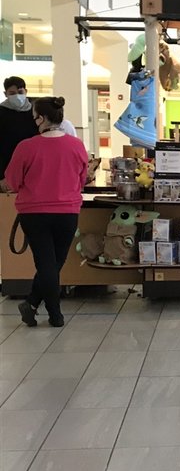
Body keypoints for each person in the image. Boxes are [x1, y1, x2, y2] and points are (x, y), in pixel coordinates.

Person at [0, 96, 88, 328]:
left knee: (46, 263)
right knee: (56, 262)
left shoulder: (26, 147)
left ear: (41, 118)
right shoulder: (76, 146)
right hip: (68, 212)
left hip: (34, 214)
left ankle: (40, 307)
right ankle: (48, 310)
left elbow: (12, 181)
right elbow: (82, 179)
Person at [0, 75, 37, 178]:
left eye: (20, 92)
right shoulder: (1, 112)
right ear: (5, 94)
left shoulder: (35, 111)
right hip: (6, 163)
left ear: (26, 91)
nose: (17, 96)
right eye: (12, 93)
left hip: (31, 163)